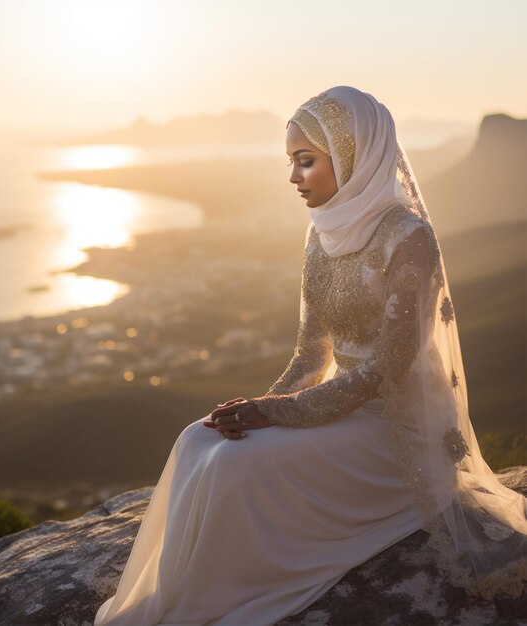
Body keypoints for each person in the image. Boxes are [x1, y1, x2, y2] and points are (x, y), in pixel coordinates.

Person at [93, 86, 527, 626]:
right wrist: (260, 408)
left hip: (398, 424)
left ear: (351, 157)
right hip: (336, 405)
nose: (293, 177)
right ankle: (180, 598)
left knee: (234, 467)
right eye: (291, 162)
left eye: (306, 161)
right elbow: (309, 354)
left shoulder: (410, 238)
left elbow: (389, 370)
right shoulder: (320, 233)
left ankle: (213, 600)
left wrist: (278, 415)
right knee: (198, 437)